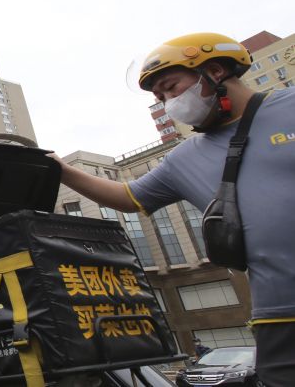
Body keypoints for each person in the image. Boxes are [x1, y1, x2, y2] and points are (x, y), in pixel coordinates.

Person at [54, 32, 295, 386]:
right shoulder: (183, 159)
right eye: (160, 98)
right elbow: (128, 197)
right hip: (279, 316)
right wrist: (61, 170)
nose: (170, 103)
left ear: (215, 71)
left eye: (171, 88)